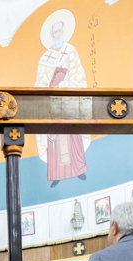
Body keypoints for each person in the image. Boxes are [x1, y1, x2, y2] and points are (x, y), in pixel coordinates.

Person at [34, 17, 89, 186]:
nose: (58, 34)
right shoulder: (44, 58)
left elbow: (78, 73)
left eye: (60, 30)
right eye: (55, 31)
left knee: (72, 133)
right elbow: (39, 82)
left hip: (69, 99)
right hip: (52, 102)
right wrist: (48, 87)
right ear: (51, 34)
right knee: (54, 137)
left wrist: (68, 84)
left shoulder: (70, 50)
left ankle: (78, 169)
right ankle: (57, 174)